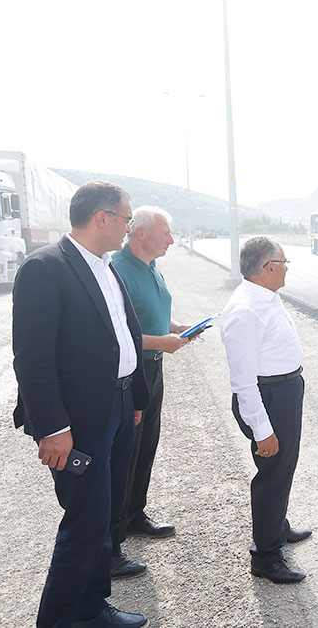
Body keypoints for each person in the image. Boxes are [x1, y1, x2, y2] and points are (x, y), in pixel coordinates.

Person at [12, 181, 150, 628]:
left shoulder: (105, 265)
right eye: (127, 219)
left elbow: (119, 334)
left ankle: (92, 609)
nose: (129, 228)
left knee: (107, 517)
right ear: (102, 218)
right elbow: (32, 359)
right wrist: (52, 427)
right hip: (80, 420)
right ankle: (58, 620)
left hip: (118, 405)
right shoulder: (45, 268)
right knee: (84, 525)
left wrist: (133, 397)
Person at [220, 236, 312, 584]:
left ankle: (277, 526)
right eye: (285, 262)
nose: (287, 268)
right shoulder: (247, 309)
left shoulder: (266, 297)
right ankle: (266, 556)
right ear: (268, 267)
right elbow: (243, 381)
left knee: (284, 466)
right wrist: (263, 429)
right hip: (268, 398)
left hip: (284, 390)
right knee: (272, 473)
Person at [108, 206, 192, 578]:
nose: (171, 240)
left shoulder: (150, 265)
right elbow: (118, 334)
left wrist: (175, 327)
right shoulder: (120, 271)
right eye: (166, 233)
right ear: (140, 233)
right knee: (124, 451)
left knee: (147, 443)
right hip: (133, 368)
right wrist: (163, 340)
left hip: (154, 364)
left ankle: (134, 513)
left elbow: (149, 309)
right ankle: (113, 541)